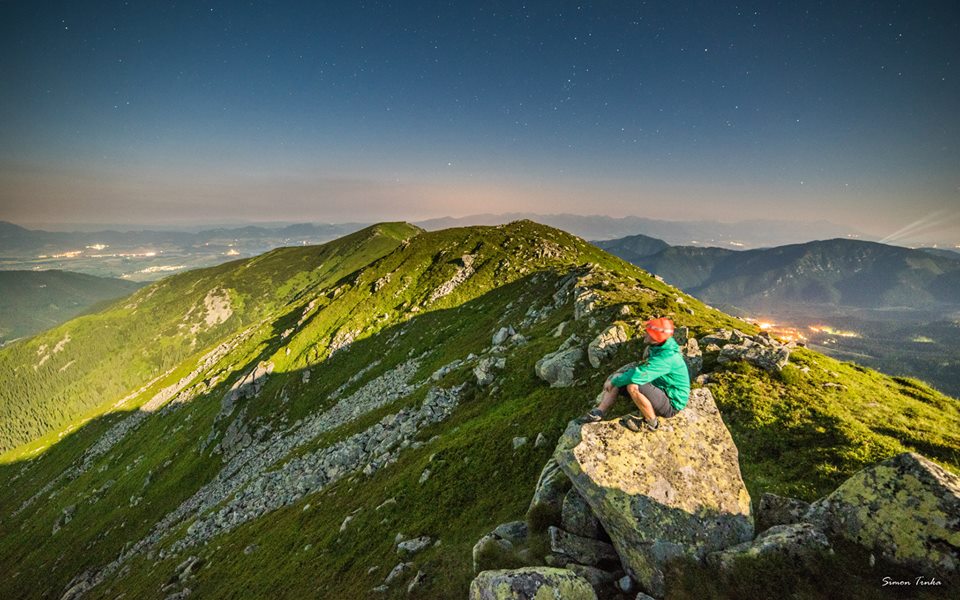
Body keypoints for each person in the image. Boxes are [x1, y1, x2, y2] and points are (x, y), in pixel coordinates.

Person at [580, 317, 690, 432]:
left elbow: (637, 376)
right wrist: (617, 379)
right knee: (620, 377)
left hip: (671, 403)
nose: (645, 333)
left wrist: (613, 381)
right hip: (661, 388)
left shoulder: (666, 357)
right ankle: (599, 412)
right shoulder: (660, 347)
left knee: (632, 385)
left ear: (655, 338)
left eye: (648, 332)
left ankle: (652, 423)